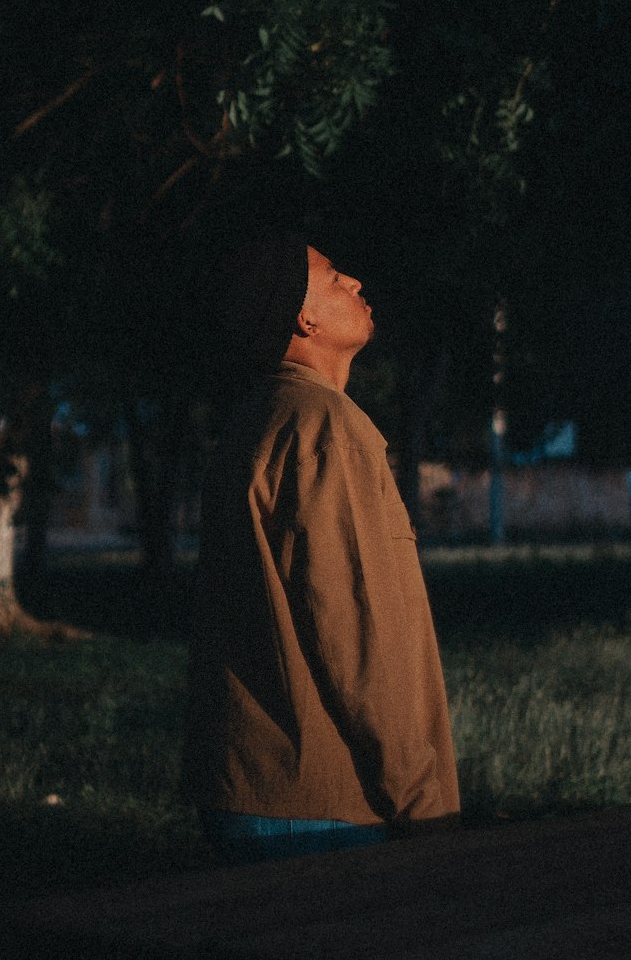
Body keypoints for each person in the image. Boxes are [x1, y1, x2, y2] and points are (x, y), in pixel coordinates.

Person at [182, 236, 460, 863]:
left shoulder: (263, 418)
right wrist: (424, 804)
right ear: (302, 318)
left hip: (254, 789)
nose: (355, 281)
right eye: (333, 277)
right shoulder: (324, 427)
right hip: (321, 809)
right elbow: (358, 633)